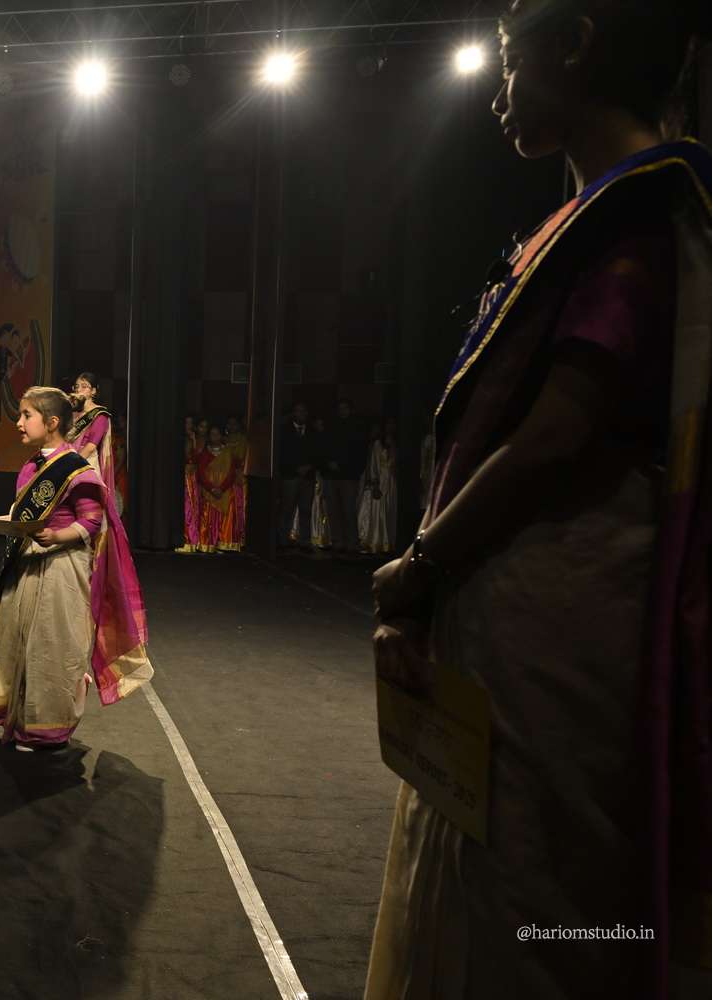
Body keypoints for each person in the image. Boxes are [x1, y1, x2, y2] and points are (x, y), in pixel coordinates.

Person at [365, 3, 712, 997]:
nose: (497, 93)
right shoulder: (590, 218)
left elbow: (559, 432)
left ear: (576, 43)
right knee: (481, 873)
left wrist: (423, 565)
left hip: (563, 621)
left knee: (529, 898)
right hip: (515, 613)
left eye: (511, 61)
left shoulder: (637, 216)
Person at [0, 387, 153, 750]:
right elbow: (21, 516)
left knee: (51, 645)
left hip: (61, 568)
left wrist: (58, 536)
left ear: (52, 422)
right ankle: (19, 720)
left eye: (26, 415)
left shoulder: (75, 469)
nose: (19, 423)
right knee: (19, 639)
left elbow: (91, 522)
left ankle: (47, 728)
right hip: (27, 562)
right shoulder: (31, 465)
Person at [67, 371, 127, 513]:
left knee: (84, 507)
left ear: (93, 391)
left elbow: (91, 446)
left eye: (84, 386)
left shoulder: (100, 415)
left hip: (85, 463)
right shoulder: (72, 413)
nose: (79, 389)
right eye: (76, 386)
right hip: (68, 458)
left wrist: (70, 465)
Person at [326, 399, 369, 554]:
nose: (342, 410)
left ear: (350, 409)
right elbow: (327, 447)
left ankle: (351, 542)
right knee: (334, 509)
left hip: (349, 475)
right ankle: (338, 541)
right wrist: (329, 463)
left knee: (348, 510)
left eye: (345, 408)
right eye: (340, 408)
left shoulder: (357, 428)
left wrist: (350, 469)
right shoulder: (333, 426)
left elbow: (360, 453)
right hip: (333, 475)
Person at [278, 403, 317, 547]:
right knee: (287, 509)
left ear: (307, 413)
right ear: (293, 413)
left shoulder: (312, 431)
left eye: (303, 411)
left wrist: (309, 466)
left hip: (308, 476)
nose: (301, 413)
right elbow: (281, 453)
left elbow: (317, 452)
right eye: (298, 411)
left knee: (306, 510)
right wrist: (295, 468)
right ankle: (283, 539)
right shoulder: (284, 430)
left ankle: (304, 540)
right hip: (290, 475)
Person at [357, 420, 398, 555]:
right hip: (380, 481)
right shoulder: (377, 444)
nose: (390, 427)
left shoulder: (396, 444)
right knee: (378, 511)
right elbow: (373, 464)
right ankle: (376, 541)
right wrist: (374, 483)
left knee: (389, 511)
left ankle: (388, 542)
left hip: (391, 482)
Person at [200, 425, 241, 552]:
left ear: (222, 436)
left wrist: (221, 489)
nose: (215, 437)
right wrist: (212, 489)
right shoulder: (205, 453)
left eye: (217, 434)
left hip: (225, 492)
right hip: (209, 493)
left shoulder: (228, 452)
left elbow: (231, 473)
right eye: (212, 434)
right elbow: (201, 474)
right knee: (209, 518)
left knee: (226, 518)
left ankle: (224, 543)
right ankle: (208, 544)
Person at [177, 415, 203, 553]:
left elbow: (196, 458)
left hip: (191, 477)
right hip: (184, 476)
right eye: (187, 423)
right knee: (186, 507)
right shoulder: (182, 440)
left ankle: (191, 540)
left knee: (192, 507)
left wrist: (193, 441)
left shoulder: (193, 440)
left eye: (191, 423)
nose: (189, 426)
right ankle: (185, 538)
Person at [224, 415, 250, 551]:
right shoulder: (223, 439)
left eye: (234, 423)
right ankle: (226, 538)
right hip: (225, 478)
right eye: (230, 423)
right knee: (227, 509)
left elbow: (242, 459)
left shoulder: (243, 440)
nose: (232, 426)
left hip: (239, 478)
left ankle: (240, 538)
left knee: (240, 507)